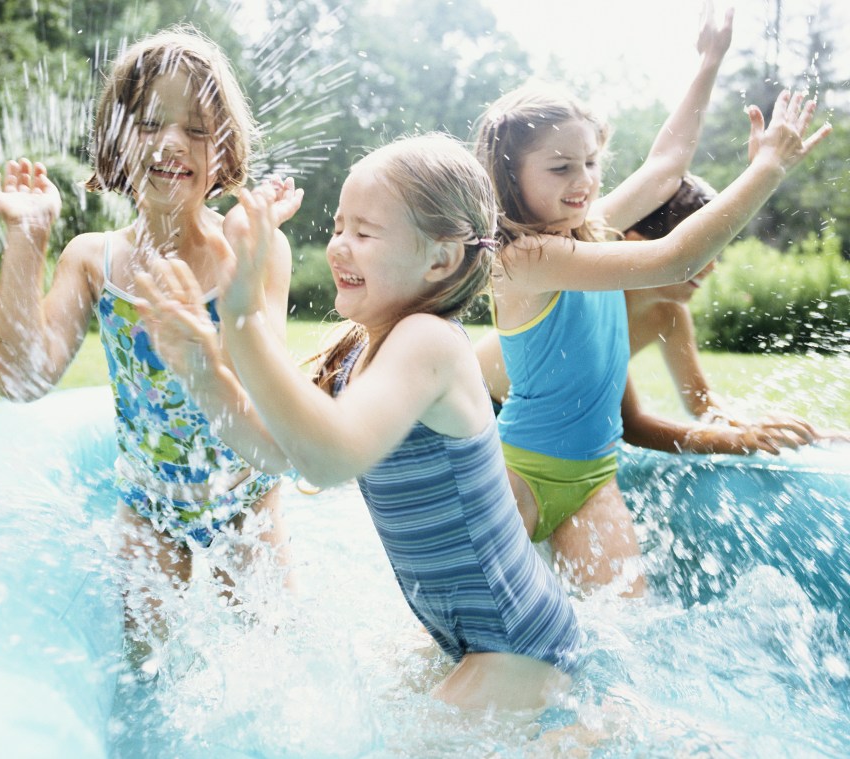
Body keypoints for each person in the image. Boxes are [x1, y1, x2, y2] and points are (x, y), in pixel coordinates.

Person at [134, 133, 581, 712]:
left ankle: (580, 733)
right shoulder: (360, 352)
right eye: (339, 227)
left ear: (440, 258)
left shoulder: (429, 343)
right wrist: (201, 373)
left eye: (365, 233)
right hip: (466, 636)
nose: (340, 246)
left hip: (520, 645)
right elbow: (278, 452)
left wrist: (241, 318)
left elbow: (333, 459)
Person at [472, 42, 830, 602]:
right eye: (561, 167)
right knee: (465, 638)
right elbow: (674, 258)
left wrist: (709, 60)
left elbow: (666, 166)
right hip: (520, 476)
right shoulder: (522, 260)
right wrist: (768, 168)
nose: (583, 180)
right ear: (510, 178)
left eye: (590, 162)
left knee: (625, 629)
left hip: (593, 480)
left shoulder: (594, 232)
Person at [0, 27, 300, 660]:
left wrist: (238, 278)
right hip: (149, 505)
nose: (170, 144)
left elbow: (272, 401)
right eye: (151, 122)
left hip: (244, 498)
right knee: (147, 674)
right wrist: (28, 238)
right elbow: (22, 379)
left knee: (274, 662)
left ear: (225, 150)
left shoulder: (253, 252)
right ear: (116, 139)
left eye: (196, 128)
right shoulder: (94, 262)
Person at [480, 175, 828, 454]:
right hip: (484, 408)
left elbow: (702, 402)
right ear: (636, 243)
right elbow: (633, 424)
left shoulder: (670, 314)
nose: (710, 266)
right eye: (697, 253)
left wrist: (764, 432)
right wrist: (737, 441)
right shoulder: (591, 295)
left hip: (536, 421)